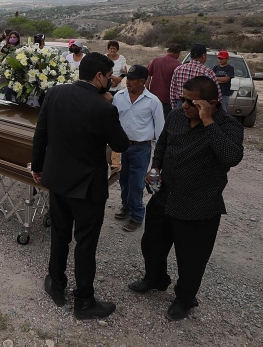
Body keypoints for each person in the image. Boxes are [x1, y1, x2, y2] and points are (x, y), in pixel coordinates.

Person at [129, 76, 243, 321]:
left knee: (191, 259)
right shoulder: (176, 116)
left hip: (199, 205)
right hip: (165, 197)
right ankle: (155, 278)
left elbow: (231, 157)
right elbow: (162, 145)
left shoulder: (228, 126)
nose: (184, 106)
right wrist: (155, 168)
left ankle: (184, 298)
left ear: (211, 103)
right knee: (152, 245)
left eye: (192, 102)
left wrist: (208, 122)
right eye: (182, 99)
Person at [31, 52, 130, 320]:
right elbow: (121, 144)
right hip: (88, 188)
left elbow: (41, 133)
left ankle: (56, 284)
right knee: (85, 244)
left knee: (60, 235)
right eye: (109, 78)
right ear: (99, 76)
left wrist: (37, 167)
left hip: (58, 180)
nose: (111, 82)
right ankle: (84, 301)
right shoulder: (104, 108)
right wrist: (113, 108)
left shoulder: (54, 94)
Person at [112, 65, 165, 232]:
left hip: (141, 148)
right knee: (124, 179)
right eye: (128, 78)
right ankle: (126, 206)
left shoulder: (153, 101)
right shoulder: (119, 97)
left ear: (143, 81)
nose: (128, 82)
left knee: (136, 182)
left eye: (132, 79)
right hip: (121, 147)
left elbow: (160, 129)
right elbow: (113, 121)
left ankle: (137, 215)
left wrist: (159, 157)